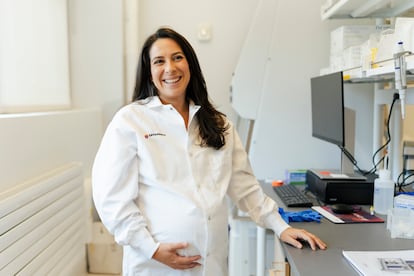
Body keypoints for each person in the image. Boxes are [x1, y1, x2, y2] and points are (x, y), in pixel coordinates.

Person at [92, 27, 327, 275]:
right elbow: (111, 197)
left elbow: (244, 187)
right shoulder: (131, 120)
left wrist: (281, 227)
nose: (170, 68)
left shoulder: (219, 125)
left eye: (177, 57)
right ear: (150, 74)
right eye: (159, 61)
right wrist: (151, 249)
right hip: (154, 265)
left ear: (190, 65)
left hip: (210, 262)